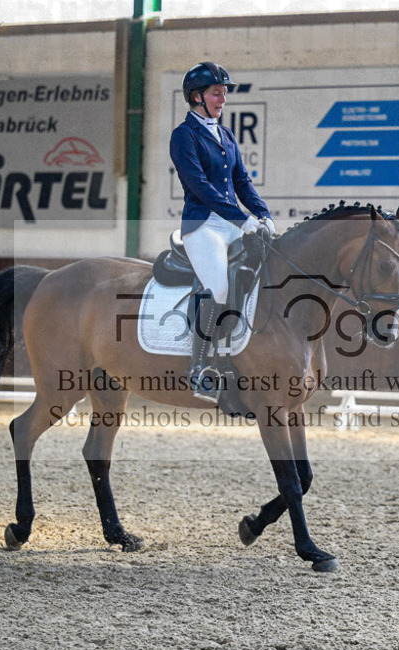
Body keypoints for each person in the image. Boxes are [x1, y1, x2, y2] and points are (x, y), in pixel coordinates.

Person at [169, 61, 274, 403]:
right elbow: (199, 186)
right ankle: (198, 370)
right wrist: (243, 220)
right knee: (218, 286)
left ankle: (241, 355)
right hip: (203, 225)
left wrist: (263, 214)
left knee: (263, 271)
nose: (223, 99)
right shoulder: (183, 135)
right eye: (216, 93)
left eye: (224, 93)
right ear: (197, 97)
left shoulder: (225, 134)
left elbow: (241, 180)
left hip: (232, 222)